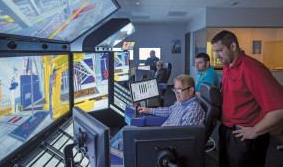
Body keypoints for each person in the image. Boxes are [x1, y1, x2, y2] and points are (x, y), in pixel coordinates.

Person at [211, 30, 283, 167]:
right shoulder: (227, 66)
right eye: (215, 51)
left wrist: (255, 130)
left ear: (233, 46)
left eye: (219, 50)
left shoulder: (252, 69)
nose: (217, 55)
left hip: (246, 136)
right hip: (227, 131)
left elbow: (279, 109)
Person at [110, 74, 205, 151]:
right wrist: (149, 110)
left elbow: (183, 141)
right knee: (126, 129)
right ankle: (105, 151)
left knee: (121, 143)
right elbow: (169, 110)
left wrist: (153, 135)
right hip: (161, 134)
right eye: (175, 89)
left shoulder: (193, 111)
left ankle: (105, 158)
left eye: (179, 89)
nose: (176, 93)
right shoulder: (181, 103)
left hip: (162, 142)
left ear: (191, 90)